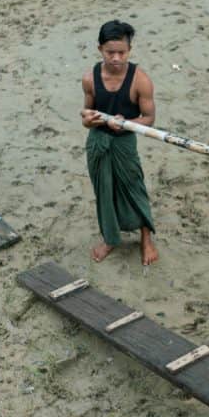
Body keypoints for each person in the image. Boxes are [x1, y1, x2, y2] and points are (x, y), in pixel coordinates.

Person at [79, 20, 159, 265]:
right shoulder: (90, 78)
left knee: (135, 189)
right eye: (110, 52)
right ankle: (111, 238)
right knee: (104, 191)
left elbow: (149, 119)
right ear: (99, 49)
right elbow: (86, 115)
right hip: (97, 143)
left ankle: (146, 238)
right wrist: (90, 120)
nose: (116, 58)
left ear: (129, 50)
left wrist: (126, 123)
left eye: (121, 53)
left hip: (124, 144)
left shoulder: (140, 80)